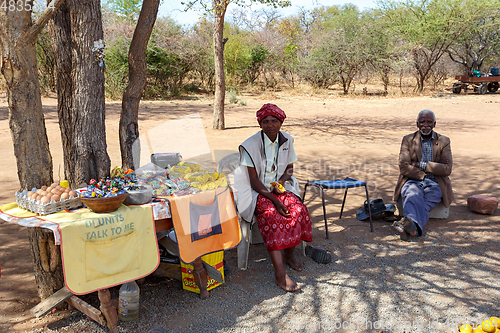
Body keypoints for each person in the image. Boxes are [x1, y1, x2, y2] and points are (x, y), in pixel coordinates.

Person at [235, 103, 330, 292]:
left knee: (298, 209)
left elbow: (289, 168)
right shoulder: (250, 145)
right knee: (272, 214)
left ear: (281, 122)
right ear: (260, 124)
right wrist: (275, 199)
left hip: (278, 188)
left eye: (274, 121)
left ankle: (289, 254)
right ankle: (279, 272)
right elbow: (253, 180)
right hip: (257, 191)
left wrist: (281, 181)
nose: (270, 125)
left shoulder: (287, 140)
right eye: (265, 122)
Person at [392, 109, 454, 240]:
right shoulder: (408, 140)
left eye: (429, 122)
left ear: (434, 124)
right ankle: (414, 230)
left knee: (425, 201)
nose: (426, 125)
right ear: (417, 124)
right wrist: (435, 167)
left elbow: (447, 169)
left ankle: (409, 226)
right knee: (412, 194)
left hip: (436, 183)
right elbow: (403, 166)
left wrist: (419, 164)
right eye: (422, 122)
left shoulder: (444, 141)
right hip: (413, 179)